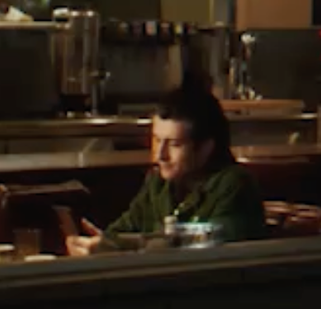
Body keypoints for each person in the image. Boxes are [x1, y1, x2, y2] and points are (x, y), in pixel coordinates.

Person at [65, 88, 266, 254]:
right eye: (157, 140)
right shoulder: (158, 183)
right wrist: (97, 244)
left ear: (205, 148)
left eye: (174, 144)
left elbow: (206, 246)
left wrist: (123, 245)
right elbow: (122, 231)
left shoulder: (234, 185)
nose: (160, 155)